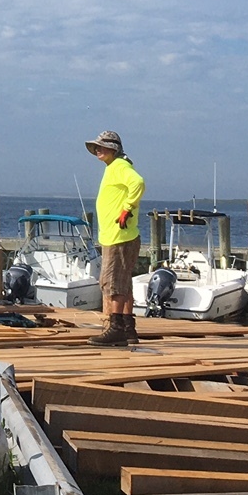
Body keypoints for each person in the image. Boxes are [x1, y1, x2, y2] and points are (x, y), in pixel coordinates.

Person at [86, 128, 145, 347]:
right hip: (119, 235)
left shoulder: (120, 166)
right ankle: (128, 327)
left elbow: (138, 183)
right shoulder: (115, 167)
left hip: (119, 236)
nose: (98, 150)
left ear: (114, 149)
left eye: (102, 146)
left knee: (112, 283)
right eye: (97, 147)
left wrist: (127, 209)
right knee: (123, 282)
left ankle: (116, 328)